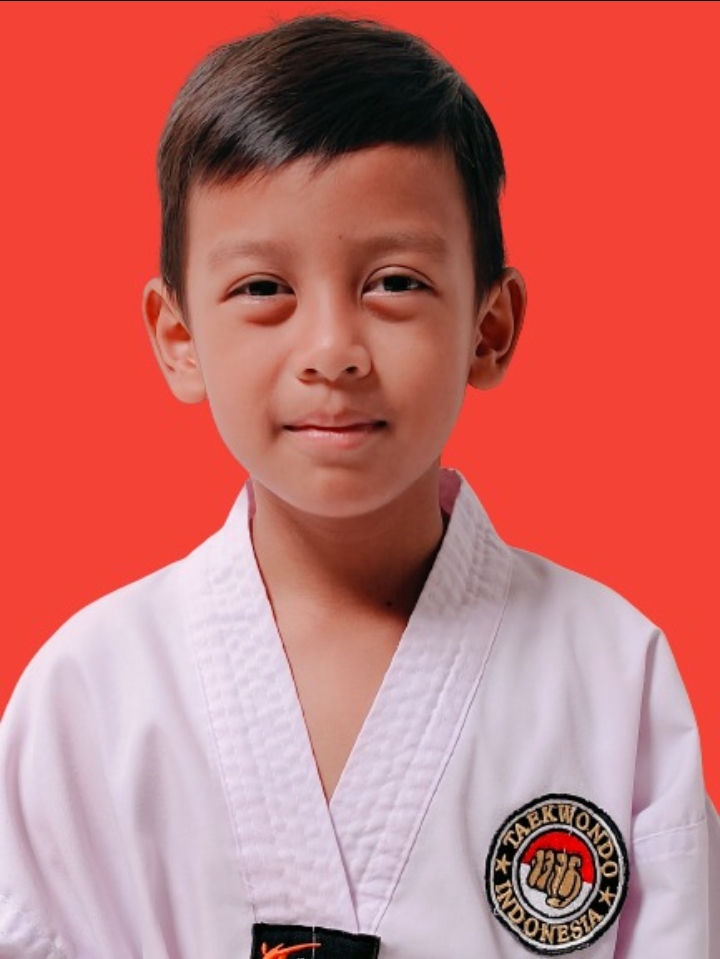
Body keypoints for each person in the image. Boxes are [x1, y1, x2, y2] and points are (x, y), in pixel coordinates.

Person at [0, 13, 717, 959]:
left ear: (489, 328)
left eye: (394, 282)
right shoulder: (88, 692)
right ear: (179, 338)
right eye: (264, 289)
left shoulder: (612, 672)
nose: (333, 351)